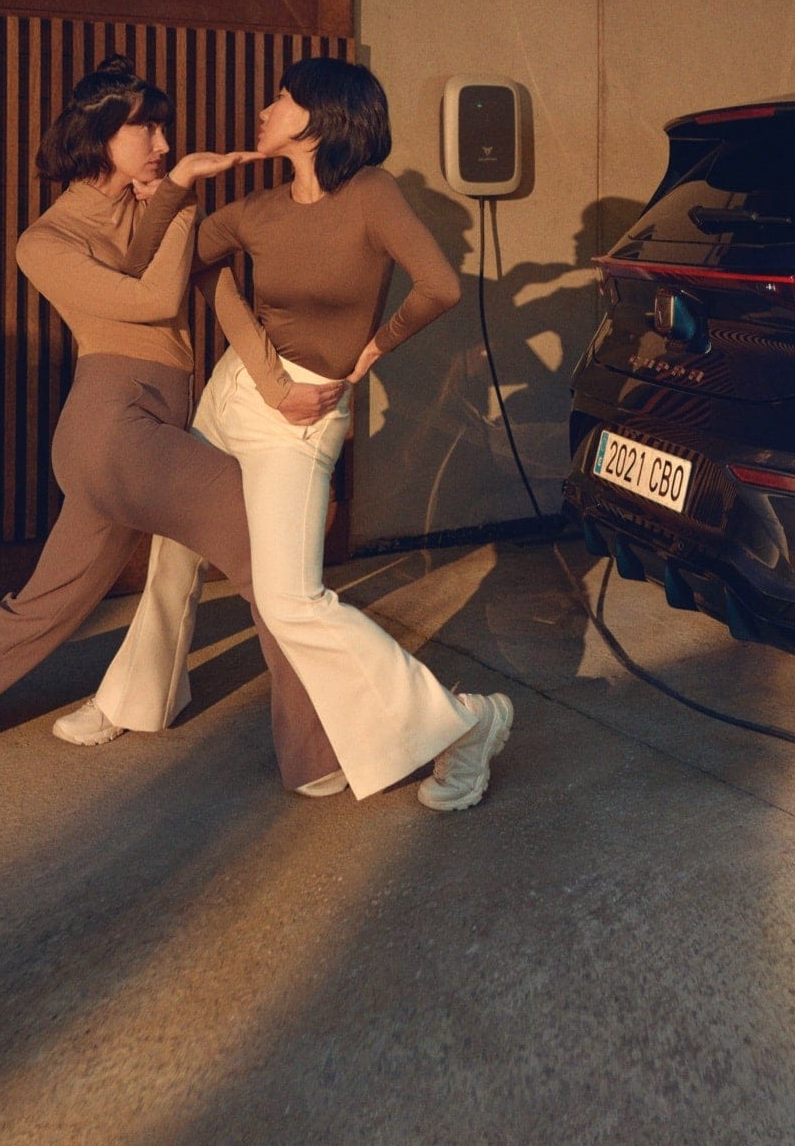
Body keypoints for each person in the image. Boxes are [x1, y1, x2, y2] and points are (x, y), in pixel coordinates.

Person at [55, 58, 513, 812]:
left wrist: (372, 352)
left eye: (281, 98)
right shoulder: (258, 208)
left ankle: (466, 723)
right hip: (235, 390)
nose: (264, 109)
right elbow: (164, 269)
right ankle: (138, 700)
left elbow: (441, 286)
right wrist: (177, 191)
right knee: (173, 552)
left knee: (292, 598)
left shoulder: (372, 196)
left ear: (319, 117)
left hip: (301, 418)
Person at [0, 56, 341, 789]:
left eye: (162, 126)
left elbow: (221, 299)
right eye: (146, 125)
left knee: (42, 609)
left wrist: (276, 386)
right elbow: (149, 300)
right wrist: (176, 198)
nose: (163, 140)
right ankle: (324, 755)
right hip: (111, 431)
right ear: (100, 132)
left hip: (145, 430)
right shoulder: (44, 240)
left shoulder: (162, 207)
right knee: (271, 550)